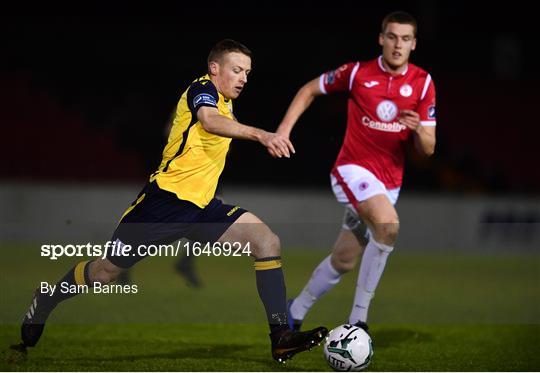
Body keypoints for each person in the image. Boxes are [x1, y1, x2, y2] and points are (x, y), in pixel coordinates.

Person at [12, 39, 327, 363]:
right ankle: (48, 298)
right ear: (214, 68)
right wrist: (263, 135)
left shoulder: (226, 103)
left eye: (247, 72)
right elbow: (208, 120)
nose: (244, 77)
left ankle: (281, 337)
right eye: (236, 70)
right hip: (162, 204)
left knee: (266, 241)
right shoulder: (201, 91)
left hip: (202, 208)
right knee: (107, 272)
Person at [277, 11, 436, 334]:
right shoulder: (356, 73)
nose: (397, 45)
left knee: (344, 259)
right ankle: (358, 321)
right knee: (388, 225)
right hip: (352, 170)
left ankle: (293, 312)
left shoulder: (423, 83)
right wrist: (283, 130)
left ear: (414, 44)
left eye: (405, 39)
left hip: (390, 182)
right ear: (381, 38)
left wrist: (418, 129)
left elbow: (429, 148)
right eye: (392, 37)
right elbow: (309, 89)